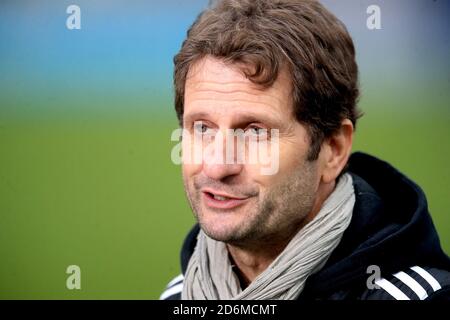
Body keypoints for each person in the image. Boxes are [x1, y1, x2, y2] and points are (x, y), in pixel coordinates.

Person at [160, 0, 450, 300]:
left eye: (255, 132)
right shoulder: (180, 296)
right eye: (203, 128)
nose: (218, 166)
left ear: (333, 149)